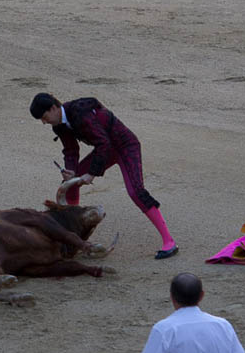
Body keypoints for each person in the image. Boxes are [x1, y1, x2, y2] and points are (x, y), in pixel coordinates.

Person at [29, 92, 178, 259]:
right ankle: (73, 235)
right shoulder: (58, 125)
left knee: (135, 191)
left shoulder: (79, 111)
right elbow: (71, 150)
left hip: (125, 146)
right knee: (70, 183)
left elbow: (103, 142)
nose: (44, 122)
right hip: (105, 149)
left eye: (44, 116)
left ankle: (169, 242)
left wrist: (92, 173)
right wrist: (70, 171)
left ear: (54, 108)